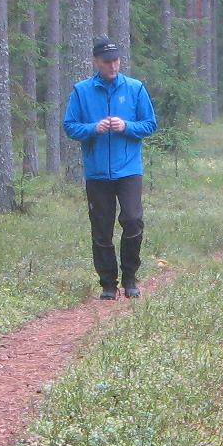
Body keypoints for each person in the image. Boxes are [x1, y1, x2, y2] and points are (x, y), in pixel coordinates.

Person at [63, 37, 158, 299]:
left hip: (128, 169)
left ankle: (130, 277)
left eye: (116, 60)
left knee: (132, 219)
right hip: (96, 172)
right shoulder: (82, 91)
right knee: (101, 226)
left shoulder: (135, 88)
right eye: (107, 62)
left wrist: (126, 126)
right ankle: (107, 283)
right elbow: (70, 126)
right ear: (96, 62)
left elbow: (150, 124)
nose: (113, 65)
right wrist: (94, 128)